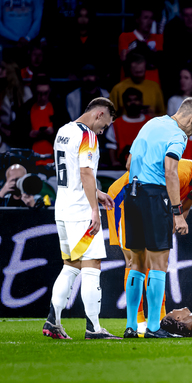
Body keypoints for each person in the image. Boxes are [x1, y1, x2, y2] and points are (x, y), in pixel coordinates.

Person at [107, 158, 192, 334]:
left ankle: (159, 319)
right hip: (124, 199)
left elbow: (183, 209)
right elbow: (157, 203)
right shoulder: (179, 173)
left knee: (156, 263)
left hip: (150, 206)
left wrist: (167, 232)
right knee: (134, 261)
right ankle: (137, 321)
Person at [123, 96, 192, 338]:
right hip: (154, 195)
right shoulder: (178, 135)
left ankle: (131, 326)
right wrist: (177, 213)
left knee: (136, 265)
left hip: (132, 194)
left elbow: (129, 162)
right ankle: (152, 327)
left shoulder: (151, 124)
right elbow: (170, 171)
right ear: (191, 118)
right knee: (158, 265)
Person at [42, 97, 121, 340]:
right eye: (106, 124)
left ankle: (52, 322)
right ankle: (94, 328)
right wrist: (94, 211)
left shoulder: (63, 131)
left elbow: (72, 173)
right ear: (99, 114)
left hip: (63, 208)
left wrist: (97, 194)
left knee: (71, 266)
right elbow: (86, 172)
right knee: (92, 265)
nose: (104, 129)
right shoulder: (88, 136)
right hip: (80, 212)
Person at [105, 88, 150, 167]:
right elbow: (111, 146)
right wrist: (114, 163)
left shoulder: (150, 122)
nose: (133, 103)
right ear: (124, 103)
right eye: (129, 100)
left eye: (136, 99)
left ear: (141, 101)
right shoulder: (116, 124)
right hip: (122, 167)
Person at [119, 6, 163, 85]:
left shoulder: (158, 38)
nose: (149, 22)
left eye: (151, 18)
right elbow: (127, 63)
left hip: (152, 87)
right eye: (145, 18)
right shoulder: (125, 37)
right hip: (130, 88)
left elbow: (159, 62)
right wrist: (151, 56)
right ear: (137, 19)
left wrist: (138, 50)